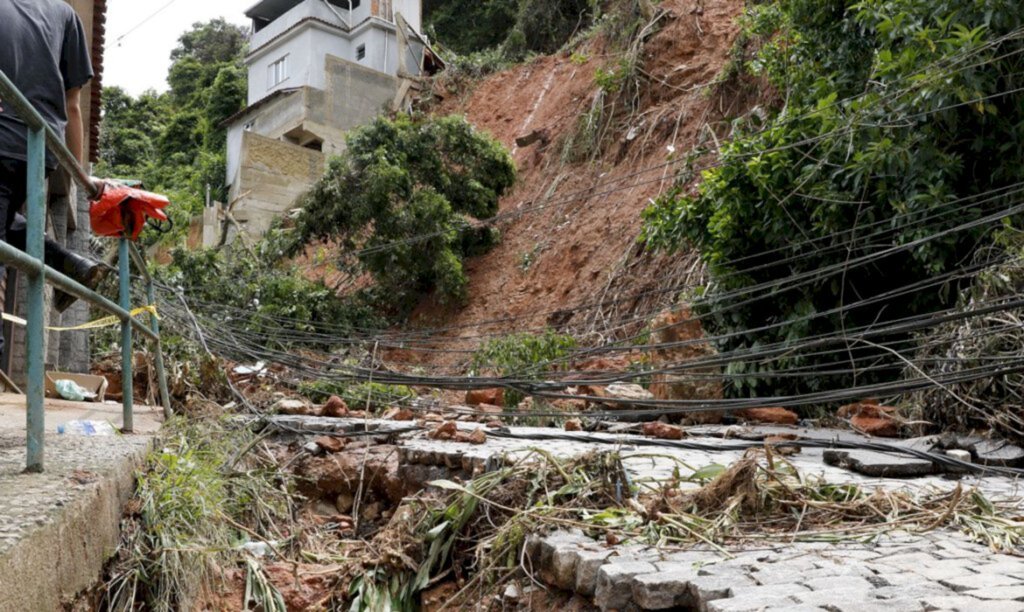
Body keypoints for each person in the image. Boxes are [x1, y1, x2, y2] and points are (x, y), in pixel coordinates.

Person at [0, 0, 111, 359]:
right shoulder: (66, 14)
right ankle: (68, 262)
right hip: (41, 150)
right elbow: (74, 105)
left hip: (2, 138)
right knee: (3, 227)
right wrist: (80, 177)